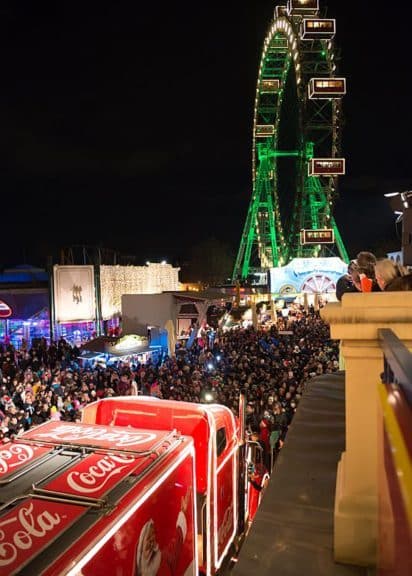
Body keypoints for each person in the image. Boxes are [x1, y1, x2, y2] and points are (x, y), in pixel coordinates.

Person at [135, 489, 190, 576]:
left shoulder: (163, 559)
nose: (151, 541)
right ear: (142, 544)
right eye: (148, 538)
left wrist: (183, 511)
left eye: (153, 536)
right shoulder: (138, 572)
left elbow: (177, 544)